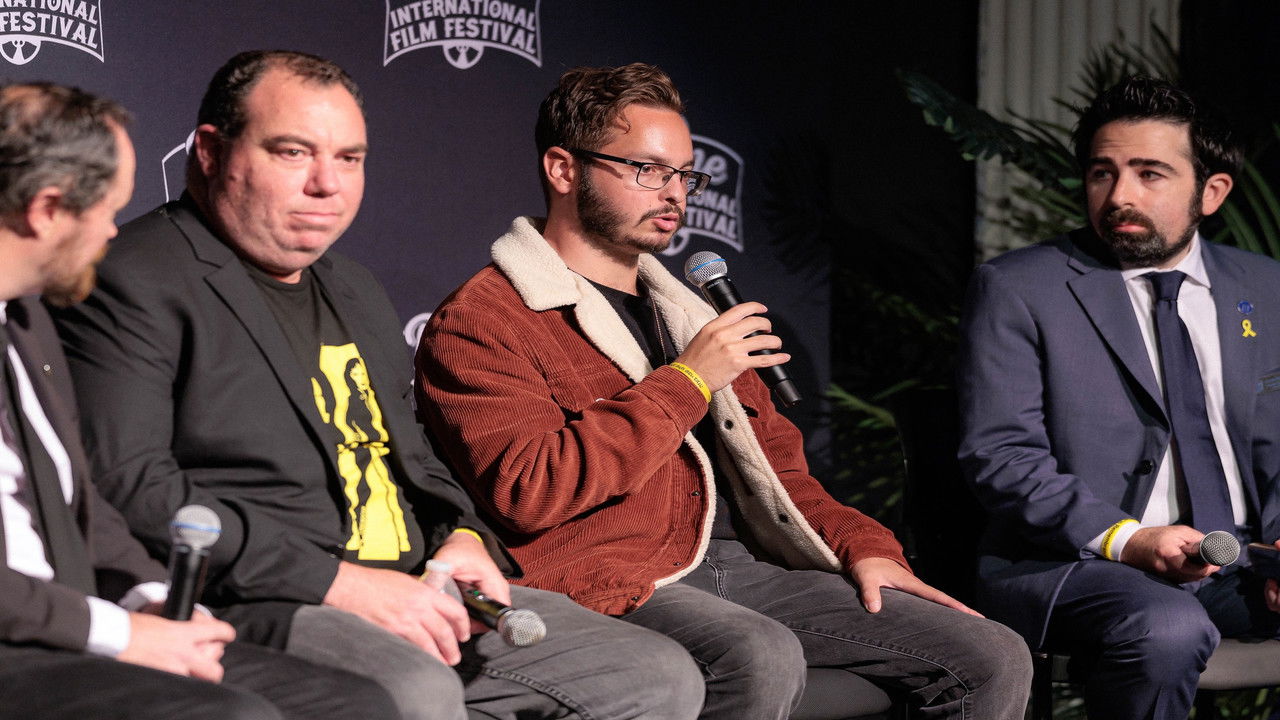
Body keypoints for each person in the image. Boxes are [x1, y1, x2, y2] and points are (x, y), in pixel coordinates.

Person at [53, 51, 702, 720]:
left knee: (653, 675)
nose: (326, 185)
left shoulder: (354, 287)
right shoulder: (134, 277)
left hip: (420, 585)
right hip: (265, 596)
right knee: (412, 690)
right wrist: (342, 584)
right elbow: (130, 486)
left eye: (349, 159)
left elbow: (416, 459)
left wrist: (463, 537)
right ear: (213, 152)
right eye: (292, 152)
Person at [415, 62, 1032, 719]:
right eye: (647, 169)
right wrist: (687, 381)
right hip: (608, 578)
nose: (674, 193)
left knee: (992, 655)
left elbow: (782, 472)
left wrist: (866, 547)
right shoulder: (488, 317)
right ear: (564, 170)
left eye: (685, 174)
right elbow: (530, 490)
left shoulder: (690, 312)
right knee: (758, 652)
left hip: (741, 569)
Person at [0, 82, 399, 720]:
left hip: (78, 627)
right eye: (107, 209)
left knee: (358, 705)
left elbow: (83, 508)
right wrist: (121, 633)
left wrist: (154, 598)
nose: (113, 231)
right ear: (47, 209)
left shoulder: (26, 322)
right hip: (27, 648)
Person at [957, 75, 1280, 719]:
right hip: (1079, 562)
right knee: (1168, 628)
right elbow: (1002, 456)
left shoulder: (1264, 286)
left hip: (1240, 557)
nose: (1119, 195)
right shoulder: (1018, 287)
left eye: (1149, 173)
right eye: (1103, 173)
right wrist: (1128, 540)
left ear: (1212, 192)